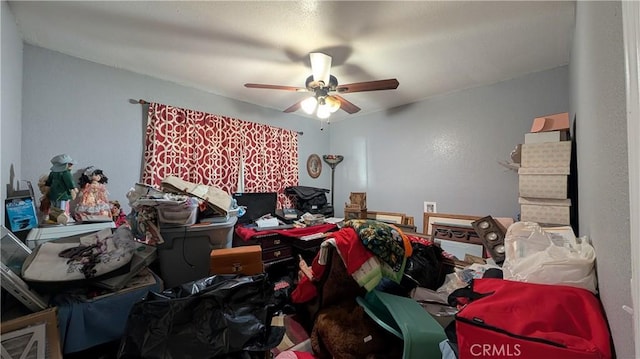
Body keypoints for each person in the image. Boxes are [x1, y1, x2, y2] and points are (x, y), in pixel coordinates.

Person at [45, 154, 78, 223]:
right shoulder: (66, 173)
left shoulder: (53, 173)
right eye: (70, 164)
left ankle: (54, 219)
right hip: (63, 194)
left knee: (54, 207)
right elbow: (69, 182)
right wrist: (73, 188)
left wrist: (47, 188)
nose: (71, 166)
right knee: (62, 208)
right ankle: (62, 220)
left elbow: (48, 182)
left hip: (53, 193)